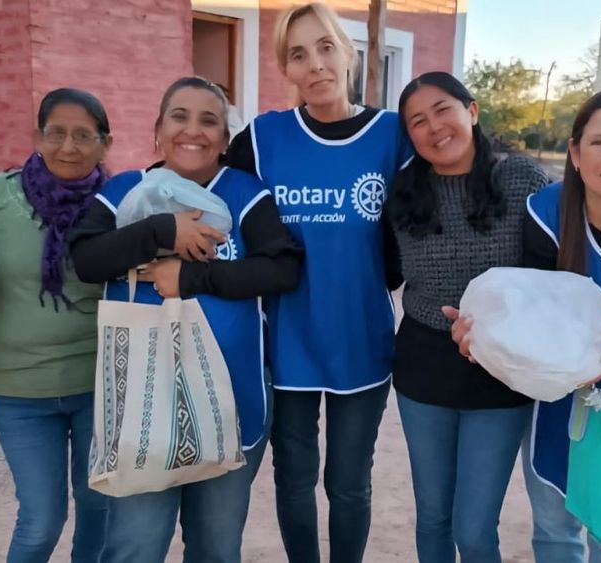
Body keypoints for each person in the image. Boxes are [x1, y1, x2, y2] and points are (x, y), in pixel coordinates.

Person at [449, 86, 601, 562]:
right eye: (598, 142)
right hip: (556, 383)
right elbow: (529, 312)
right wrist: (482, 334)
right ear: (575, 154)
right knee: (556, 525)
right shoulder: (546, 211)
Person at [69, 76, 302, 562]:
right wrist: (162, 229)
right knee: (136, 545)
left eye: (209, 120)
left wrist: (193, 275)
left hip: (231, 402)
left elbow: (283, 268)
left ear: (223, 139)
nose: (192, 130)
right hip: (143, 406)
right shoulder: (128, 189)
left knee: (216, 548)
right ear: (158, 129)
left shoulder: (243, 192)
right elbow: (87, 260)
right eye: (179, 116)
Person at [224, 4, 412, 560]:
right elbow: (206, 197)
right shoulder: (264, 138)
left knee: (349, 482)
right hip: (288, 343)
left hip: (362, 338)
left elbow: (442, 201)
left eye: (325, 47)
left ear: (348, 51)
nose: (316, 65)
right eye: (298, 55)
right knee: (295, 479)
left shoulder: (392, 134)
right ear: (287, 68)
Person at [386, 71, 548, 563]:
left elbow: (552, 276)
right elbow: (387, 271)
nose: (434, 127)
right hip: (424, 369)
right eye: (417, 121)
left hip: (500, 374)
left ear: (471, 110)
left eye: (442, 110)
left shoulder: (523, 180)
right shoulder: (402, 193)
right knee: (432, 519)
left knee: (474, 530)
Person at [0, 88, 112, 562]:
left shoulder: (117, 202)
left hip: (98, 384)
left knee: (98, 504)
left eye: (84, 135)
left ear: (104, 142)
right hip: (18, 390)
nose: (69, 146)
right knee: (42, 517)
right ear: (37, 136)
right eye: (57, 133)